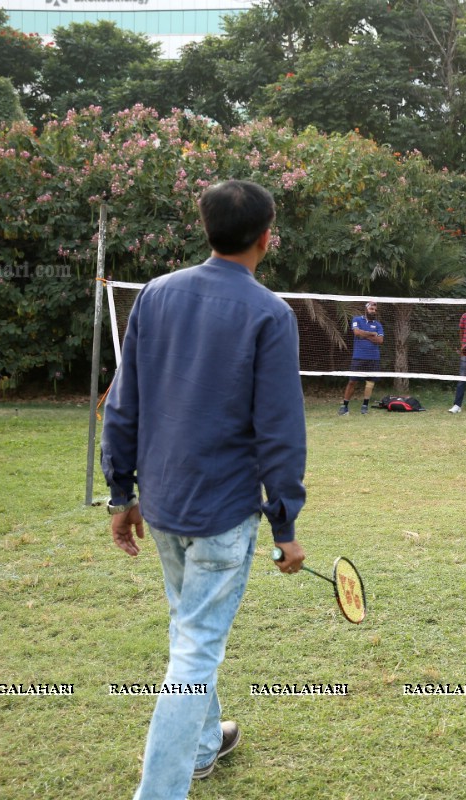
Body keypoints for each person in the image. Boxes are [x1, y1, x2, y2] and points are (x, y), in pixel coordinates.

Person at [102, 180, 308, 798]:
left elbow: (122, 404)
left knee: (189, 629)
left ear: (207, 227)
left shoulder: (156, 296)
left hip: (163, 505)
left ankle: (201, 745)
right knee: (194, 651)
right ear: (266, 236)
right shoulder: (269, 312)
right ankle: (159, 791)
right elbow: (280, 432)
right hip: (219, 514)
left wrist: (121, 492)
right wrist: (287, 526)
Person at [339, 301, 383, 416]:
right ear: (366, 309)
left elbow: (380, 340)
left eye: (374, 309)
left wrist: (365, 335)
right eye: (371, 308)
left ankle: (364, 406)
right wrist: (372, 334)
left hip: (373, 358)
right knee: (352, 381)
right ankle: (344, 406)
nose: (373, 311)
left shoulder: (378, 325)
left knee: (370, 383)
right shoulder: (357, 320)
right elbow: (357, 332)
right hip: (358, 357)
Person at [449, 306, 466, 414]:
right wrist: (463, 345)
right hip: (465, 354)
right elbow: (461, 331)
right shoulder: (465, 316)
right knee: (462, 379)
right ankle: (457, 405)